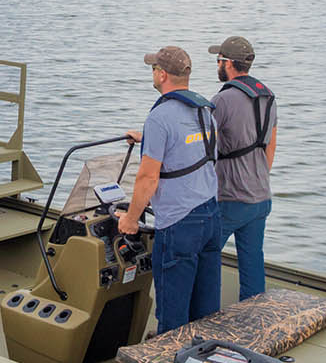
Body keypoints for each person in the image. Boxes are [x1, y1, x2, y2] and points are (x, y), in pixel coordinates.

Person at [118, 45, 224, 334]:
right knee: (206, 311)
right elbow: (190, 148)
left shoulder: (159, 118)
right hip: (211, 216)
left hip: (179, 225)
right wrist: (147, 139)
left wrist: (130, 219)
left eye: (153, 68)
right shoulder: (205, 111)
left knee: (172, 315)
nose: (152, 72)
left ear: (162, 74)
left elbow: (147, 179)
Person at [209, 35, 277, 302]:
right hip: (261, 194)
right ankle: (254, 320)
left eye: (218, 60)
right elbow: (270, 145)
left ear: (228, 63)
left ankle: (205, 318)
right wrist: (258, 176)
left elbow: (198, 140)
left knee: (207, 254)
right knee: (252, 262)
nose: (217, 65)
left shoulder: (223, 100)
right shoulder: (268, 96)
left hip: (231, 197)